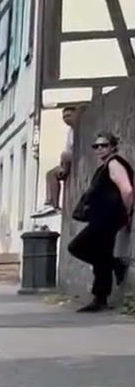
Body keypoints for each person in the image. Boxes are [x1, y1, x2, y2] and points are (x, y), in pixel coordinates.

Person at [65, 130, 134, 312]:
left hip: (108, 218)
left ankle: (106, 283)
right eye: (96, 146)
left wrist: (127, 213)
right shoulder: (104, 167)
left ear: (113, 147)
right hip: (102, 218)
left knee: (78, 247)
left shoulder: (114, 163)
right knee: (101, 255)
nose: (100, 149)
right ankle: (101, 296)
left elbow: (127, 190)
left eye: (104, 145)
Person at [31, 104, 83, 219]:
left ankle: (53, 204)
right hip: (69, 161)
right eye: (64, 117)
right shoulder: (70, 131)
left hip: (79, 157)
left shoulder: (81, 128)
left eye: (69, 116)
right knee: (50, 174)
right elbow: (67, 149)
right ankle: (51, 204)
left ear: (75, 115)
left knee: (64, 156)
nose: (66, 119)